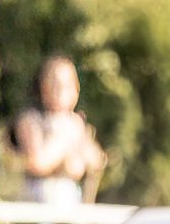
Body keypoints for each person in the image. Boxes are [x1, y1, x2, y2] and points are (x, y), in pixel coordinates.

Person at [14, 56, 107, 205]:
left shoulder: (76, 124)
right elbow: (37, 163)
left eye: (68, 85)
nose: (61, 91)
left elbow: (93, 163)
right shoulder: (31, 119)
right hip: (37, 201)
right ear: (44, 87)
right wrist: (64, 139)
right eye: (55, 84)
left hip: (70, 201)